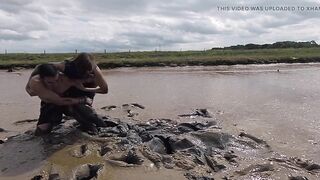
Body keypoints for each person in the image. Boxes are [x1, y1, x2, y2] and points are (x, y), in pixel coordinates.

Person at [26, 64, 106, 136]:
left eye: (57, 80)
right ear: (41, 79)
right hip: (52, 102)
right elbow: (59, 101)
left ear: (59, 74)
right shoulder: (36, 82)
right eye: (50, 82)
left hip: (71, 97)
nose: (55, 84)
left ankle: (88, 121)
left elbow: (92, 84)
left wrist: (89, 93)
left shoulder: (67, 77)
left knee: (89, 117)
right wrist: (83, 100)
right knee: (43, 130)